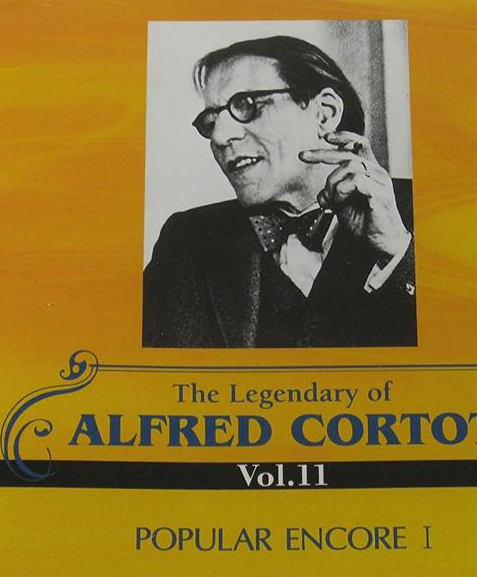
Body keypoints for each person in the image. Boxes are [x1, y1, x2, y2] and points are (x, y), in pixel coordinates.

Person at [143, 35, 416, 348]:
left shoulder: (423, 210)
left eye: (245, 105)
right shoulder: (187, 241)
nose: (219, 137)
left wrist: (397, 253)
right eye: (210, 121)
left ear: (325, 114)